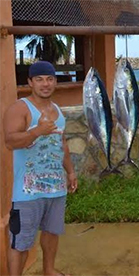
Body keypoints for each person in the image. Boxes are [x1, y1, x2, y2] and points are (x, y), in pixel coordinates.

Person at [3, 61, 78, 276]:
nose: (45, 84)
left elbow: (61, 143)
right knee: (21, 241)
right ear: (30, 82)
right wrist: (37, 131)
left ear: (55, 81)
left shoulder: (57, 111)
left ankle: (49, 270)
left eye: (49, 79)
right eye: (39, 79)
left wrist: (70, 172)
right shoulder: (20, 108)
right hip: (28, 192)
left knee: (51, 233)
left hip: (56, 188)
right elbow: (10, 142)